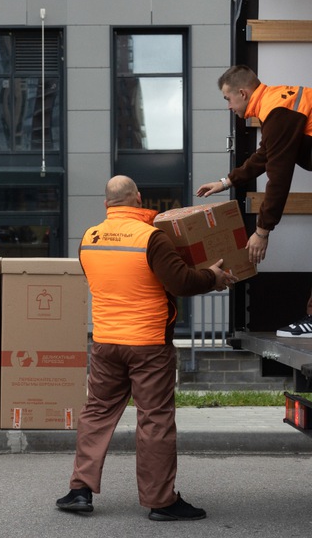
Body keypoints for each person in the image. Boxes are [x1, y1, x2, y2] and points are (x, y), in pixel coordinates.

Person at [56, 176, 236, 521]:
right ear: (137, 198)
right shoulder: (152, 237)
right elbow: (181, 282)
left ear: (106, 204)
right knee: (154, 420)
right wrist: (212, 277)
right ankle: (161, 501)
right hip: (148, 344)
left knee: (97, 412)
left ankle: (79, 490)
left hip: (106, 342)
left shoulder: (89, 238)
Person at [196, 65, 312, 264]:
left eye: (228, 99)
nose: (229, 107)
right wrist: (226, 182)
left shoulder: (277, 112)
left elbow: (279, 178)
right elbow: (265, 155)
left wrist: (262, 231)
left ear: (242, 93)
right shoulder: (274, 101)